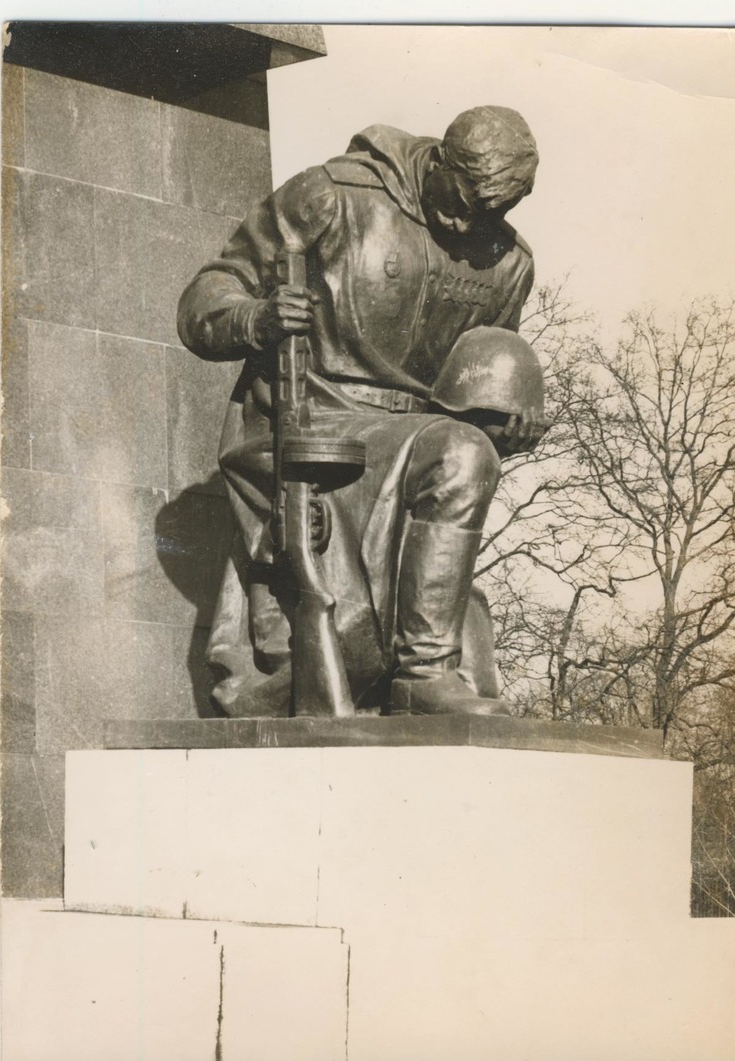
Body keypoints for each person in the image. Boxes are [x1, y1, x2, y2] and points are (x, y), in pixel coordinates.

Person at [177, 105, 549, 718]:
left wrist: (503, 428)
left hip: (418, 439)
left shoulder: (509, 262)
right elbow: (205, 298)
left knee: (463, 450)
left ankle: (423, 671)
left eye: (492, 212)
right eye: (462, 198)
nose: (468, 222)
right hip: (314, 422)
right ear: (440, 159)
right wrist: (256, 317)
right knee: (457, 451)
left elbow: (468, 395)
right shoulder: (333, 196)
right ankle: (423, 673)